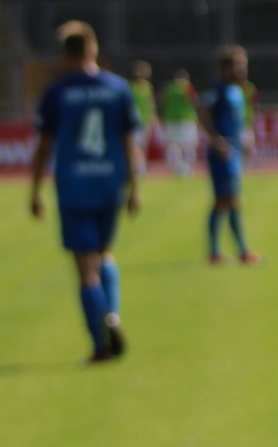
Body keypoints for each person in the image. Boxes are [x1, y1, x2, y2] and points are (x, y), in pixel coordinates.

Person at [28, 22, 142, 365]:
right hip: (110, 182)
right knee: (105, 254)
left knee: (86, 270)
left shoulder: (58, 92)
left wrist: (34, 191)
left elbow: (44, 147)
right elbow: (129, 143)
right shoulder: (118, 88)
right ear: (93, 47)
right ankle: (114, 316)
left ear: (65, 54)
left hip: (75, 187)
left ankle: (100, 345)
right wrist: (135, 188)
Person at [198, 47, 259, 267]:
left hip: (234, 152)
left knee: (227, 202)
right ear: (226, 68)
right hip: (222, 155)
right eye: (238, 65)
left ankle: (219, 253)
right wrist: (216, 139)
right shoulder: (219, 89)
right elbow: (203, 112)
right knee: (228, 201)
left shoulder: (237, 90)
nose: (243, 70)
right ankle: (239, 252)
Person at [161, 68, 199, 177]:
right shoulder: (188, 86)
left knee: (173, 146)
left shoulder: (169, 88)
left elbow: (164, 104)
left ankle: (176, 169)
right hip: (187, 119)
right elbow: (193, 100)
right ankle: (188, 169)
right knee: (188, 146)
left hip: (172, 120)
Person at [128, 60, 157, 177]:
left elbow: (151, 103)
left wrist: (153, 117)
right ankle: (137, 167)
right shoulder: (131, 87)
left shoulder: (148, 87)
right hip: (135, 121)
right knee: (135, 144)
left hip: (146, 120)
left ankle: (142, 167)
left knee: (143, 145)